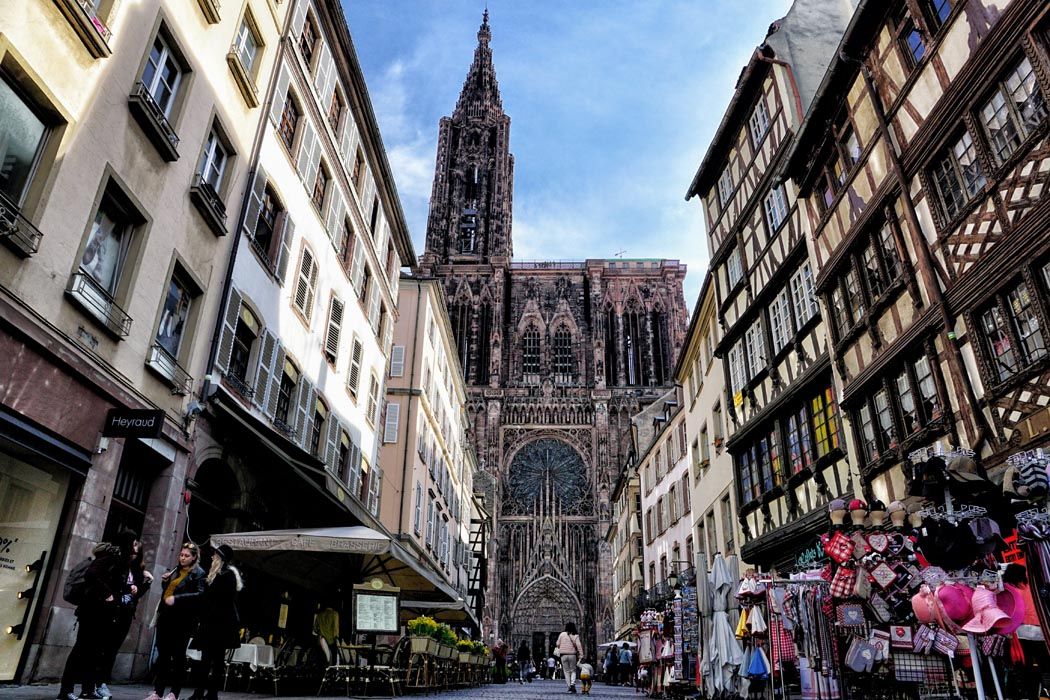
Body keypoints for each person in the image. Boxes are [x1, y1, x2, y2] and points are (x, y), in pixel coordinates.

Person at [57, 539, 132, 700]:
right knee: (81, 651)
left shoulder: (111, 561)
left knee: (93, 654)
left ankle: (87, 690)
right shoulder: (108, 559)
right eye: (132, 547)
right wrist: (107, 594)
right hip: (93, 614)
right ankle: (66, 691)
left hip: (99, 614)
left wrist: (126, 588)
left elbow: (110, 584)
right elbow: (92, 576)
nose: (134, 552)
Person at [146, 542, 206, 700]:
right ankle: (157, 692)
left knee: (178, 657)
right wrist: (165, 582)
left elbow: (200, 596)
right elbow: (168, 591)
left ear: (194, 558)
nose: (182, 558)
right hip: (166, 616)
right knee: (163, 655)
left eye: (187, 556)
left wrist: (177, 599)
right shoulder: (176, 570)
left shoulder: (198, 573)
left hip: (183, 620)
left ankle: (174, 692)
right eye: (181, 555)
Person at [98, 533, 153, 698]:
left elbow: (135, 595)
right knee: (102, 647)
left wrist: (145, 584)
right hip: (111, 610)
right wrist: (127, 589)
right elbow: (114, 585)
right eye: (134, 545)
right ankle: (93, 683)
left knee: (112, 649)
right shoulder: (117, 564)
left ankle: (101, 682)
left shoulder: (136, 569)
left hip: (125, 613)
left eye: (137, 548)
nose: (136, 549)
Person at [188, 544, 243, 700]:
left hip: (220, 626)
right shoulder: (214, 575)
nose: (212, 557)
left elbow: (220, 601)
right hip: (211, 624)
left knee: (216, 661)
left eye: (215, 555)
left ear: (221, 558)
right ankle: (200, 692)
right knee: (206, 660)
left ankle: (211, 693)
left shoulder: (227, 576)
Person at [555, 621, 584, 693]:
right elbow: (579, 646)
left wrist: (562, 645)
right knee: (573, 671)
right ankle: (572, 684)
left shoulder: (562, 634)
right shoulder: (575, 635)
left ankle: (569, 687)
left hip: (563, 655)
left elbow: (557, 644)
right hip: (572, 655)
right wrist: (581, 655)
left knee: (566, 671)